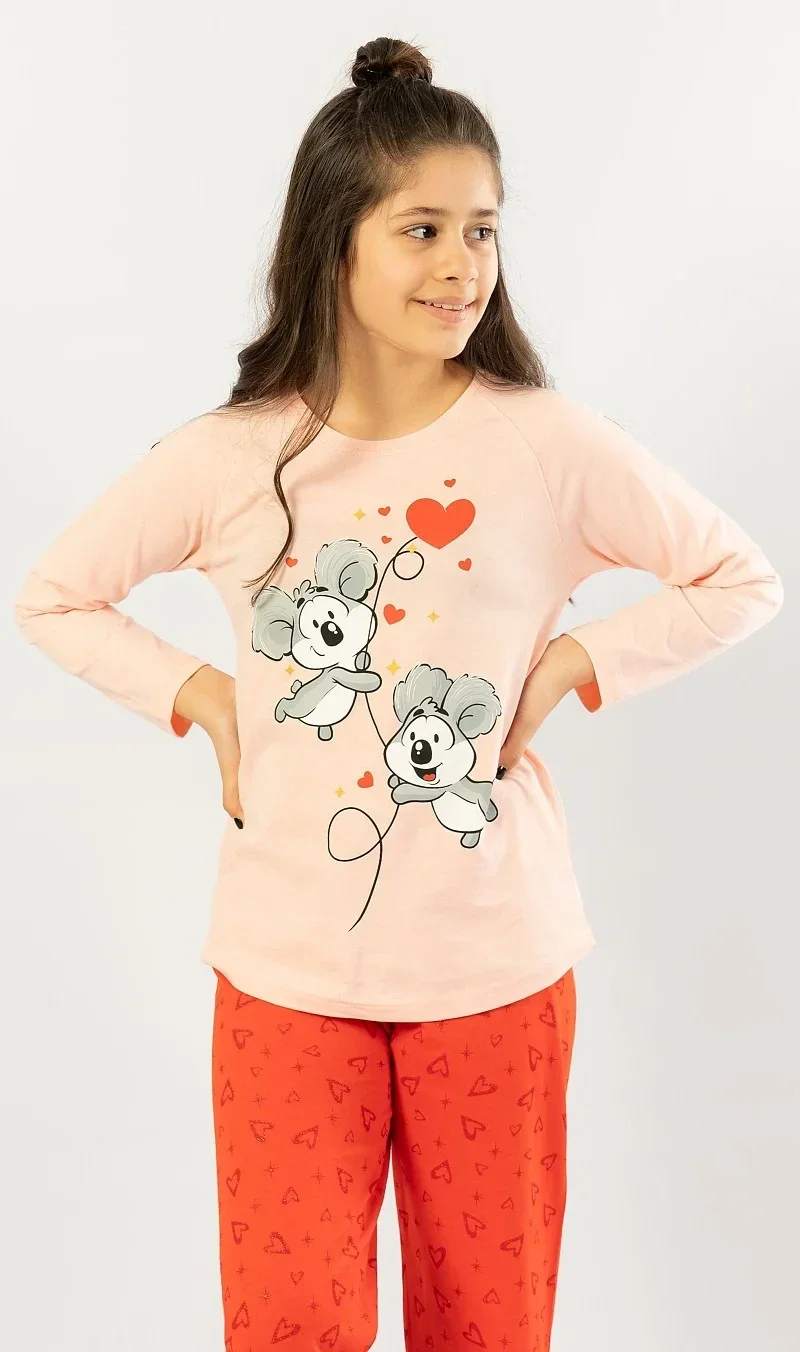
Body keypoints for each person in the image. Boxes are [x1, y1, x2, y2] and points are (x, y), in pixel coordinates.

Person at [13, 35, 783, 1352]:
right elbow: (55, 597)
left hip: (498, 970)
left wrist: (573, 665)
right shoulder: (231, 457)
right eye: (422, 229)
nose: (462, 265)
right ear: (335, 243)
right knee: (288, 1328)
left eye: (482, 230)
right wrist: (204, 697)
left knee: (487, 1327)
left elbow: (738, 578)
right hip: (285, 977)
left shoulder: (545, 442)